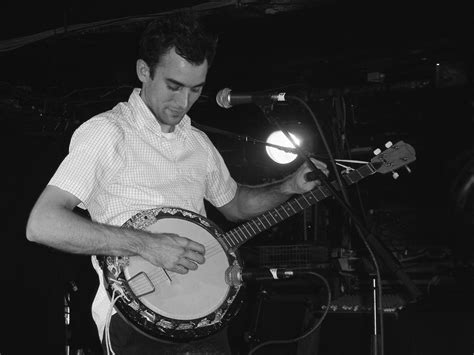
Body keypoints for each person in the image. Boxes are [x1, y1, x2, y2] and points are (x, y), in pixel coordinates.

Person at [26, 12, 328, 355]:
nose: (183, 102)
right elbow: (42, 223)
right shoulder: (107, 132)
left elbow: (237, 205)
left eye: (195, 90)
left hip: (206, 316)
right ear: (144, 71)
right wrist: (147, 245)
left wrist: (289, 185)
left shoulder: (198, 142)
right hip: (137, 319)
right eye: (174, 86)